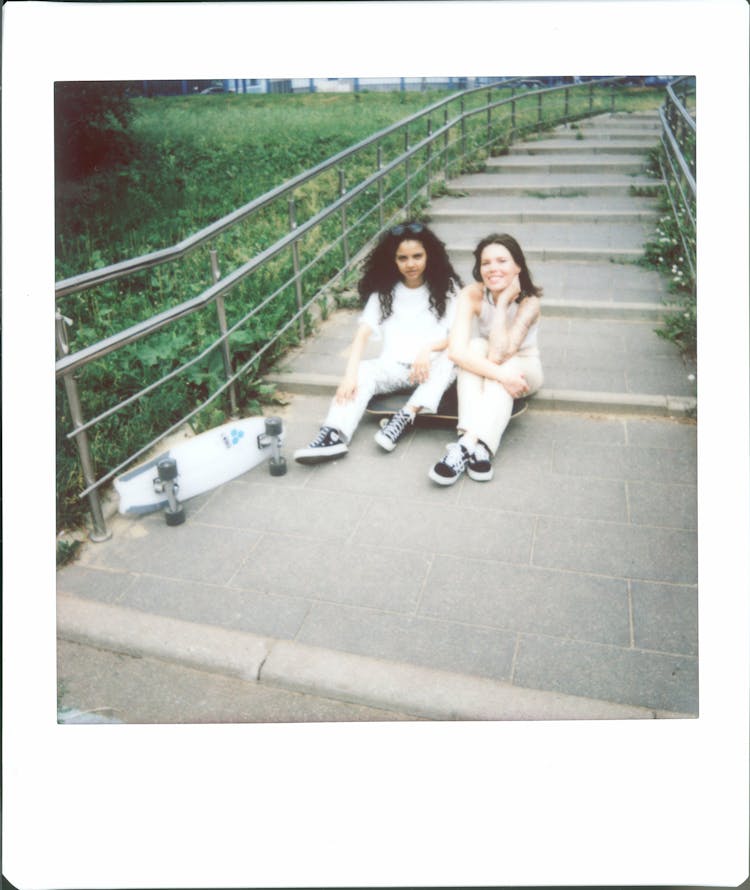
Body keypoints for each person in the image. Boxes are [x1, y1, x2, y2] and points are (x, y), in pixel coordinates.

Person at [294, 222, 462, 464]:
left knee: (453, 359)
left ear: (429, 255)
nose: (411, 263)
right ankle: (334, 435)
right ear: (392, 261)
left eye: (417, 256)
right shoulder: (383, 293)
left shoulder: (447, 288)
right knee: (362, 371)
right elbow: (361, 336)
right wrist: (349, 377)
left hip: (431, 368)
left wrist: (428, 349)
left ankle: (404, 417)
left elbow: (457, 336)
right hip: (393, 369)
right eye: (402, 258)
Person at [428, 233, 543, 485]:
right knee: (475, 345)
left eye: (502, 261)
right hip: (503, 372)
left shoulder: (530, 303)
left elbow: (500, 354)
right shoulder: (472, 294)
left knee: (498, 361)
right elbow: (456, 351)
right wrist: (501, 374)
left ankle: (464, 444)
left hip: (525, 368)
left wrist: (501, 305)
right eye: (486, 263)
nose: (493, 269)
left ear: (518, 266)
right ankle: (479, 449)